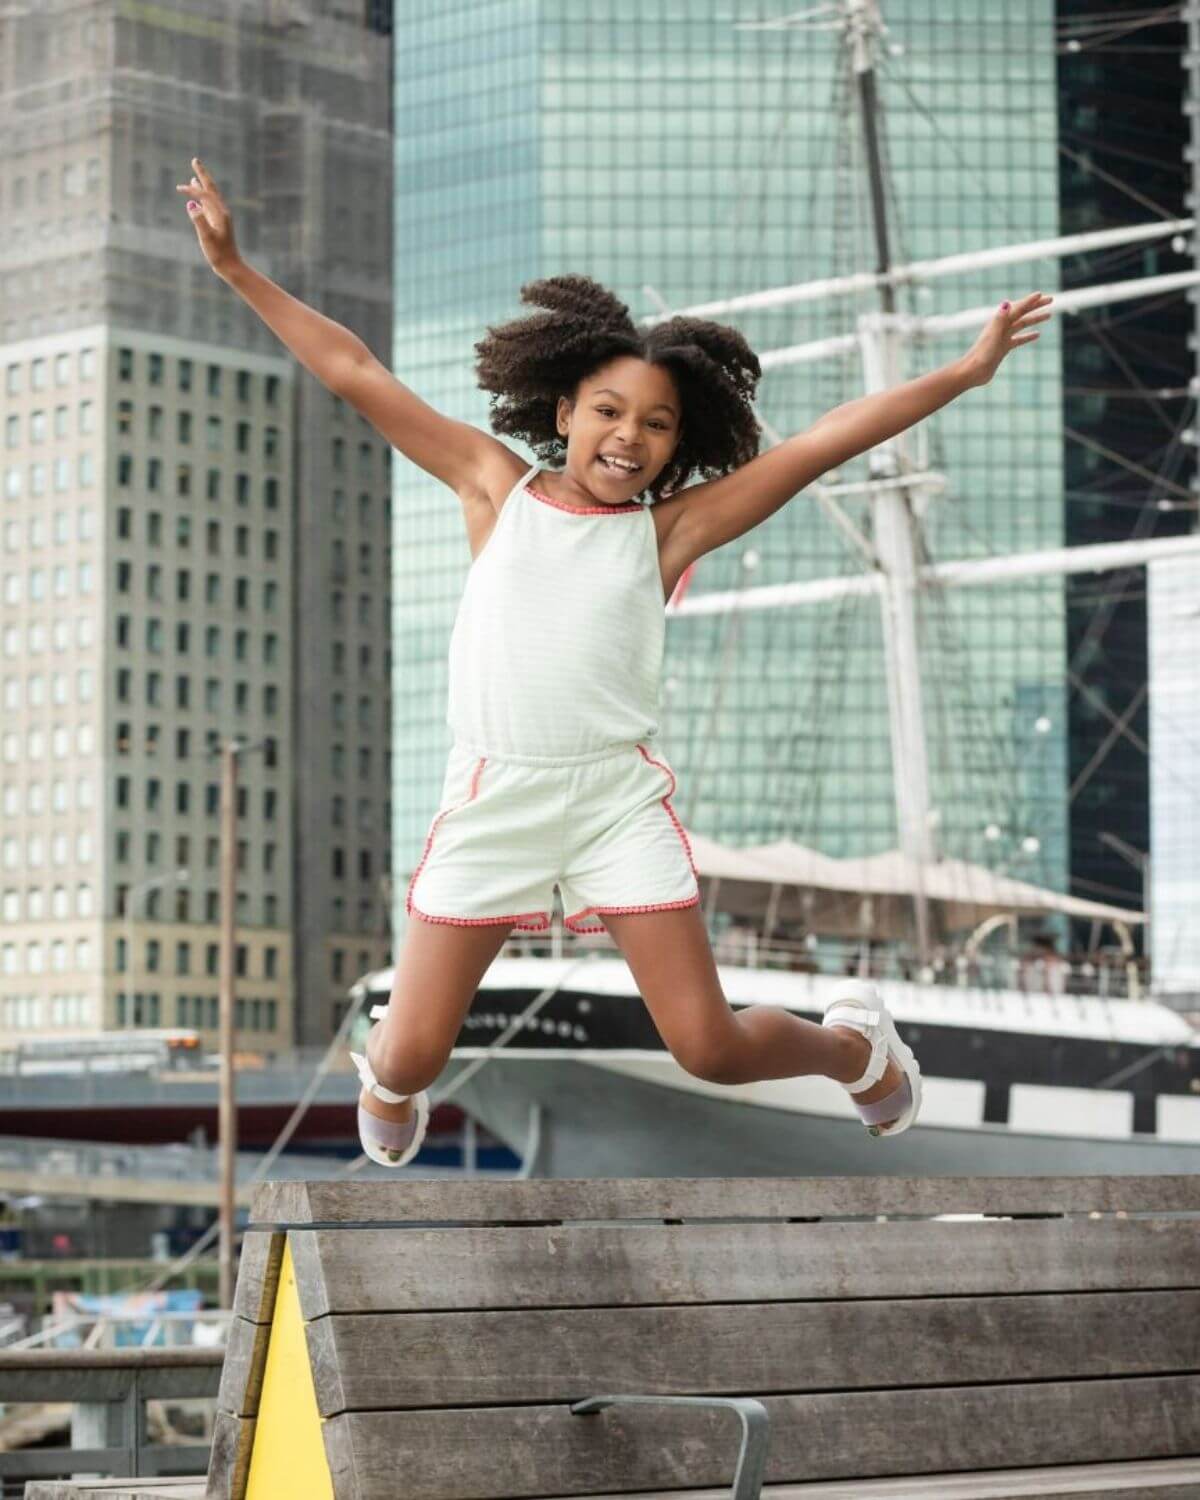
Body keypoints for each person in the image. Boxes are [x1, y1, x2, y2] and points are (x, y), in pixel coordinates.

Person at [179, 158, 1052, 1160]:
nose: (627, 436)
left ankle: (852, 1049)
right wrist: (236, 267)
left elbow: (816, 446)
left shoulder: (667, 533)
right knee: (412, 1056)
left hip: (611, 803)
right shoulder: (489, 487)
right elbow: (357, 372)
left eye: (656, 423)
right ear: (562, 412)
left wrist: (962, 371)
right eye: (606, 410)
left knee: (710, 1049)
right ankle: (393, 1075)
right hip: (495, 796)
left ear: (679, 446)